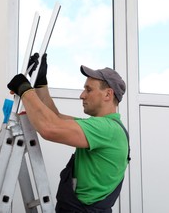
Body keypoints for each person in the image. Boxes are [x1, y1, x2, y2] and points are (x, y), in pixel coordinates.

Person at [7, 53, 130, 213]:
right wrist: (40, 84)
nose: (82, 95)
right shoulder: (103, 127)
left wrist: (24, 89)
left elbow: (50, 128)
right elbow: (55, 118)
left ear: (108, 94)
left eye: (88, 89)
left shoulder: (106, 129)